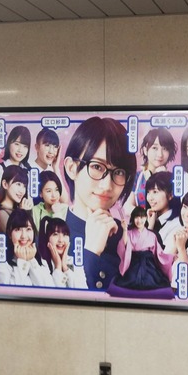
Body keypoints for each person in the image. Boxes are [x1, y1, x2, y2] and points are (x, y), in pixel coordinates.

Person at [63, 116, 137, 291]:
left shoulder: (127, 235)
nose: (107, 186)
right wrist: (91, 252)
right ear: (71, 168)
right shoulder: (48, 234)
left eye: (118, 172)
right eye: (97, 166)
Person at [112, 206, 174, 291]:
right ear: (133, 219)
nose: (139, 220)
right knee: (130, 281)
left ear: (145, 218)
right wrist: (125, 230)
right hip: (133, 263)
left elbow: (158, 253)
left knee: (152, 281)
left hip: (148, 264)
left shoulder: (152, 235)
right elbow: (124, 245)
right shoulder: (129, 233)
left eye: (142, 217)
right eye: (136, 217)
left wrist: (171, 257)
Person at [123, 127, 177, 216]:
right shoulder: (138, 177)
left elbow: (177, 209)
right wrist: (147, 215)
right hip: (142, 223)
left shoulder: (174, 179)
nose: (160, 154)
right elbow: (127, 207)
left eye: (165, 149)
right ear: (145, 150)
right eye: (155, 148)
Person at [0, 209, 54, 287]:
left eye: (28, 229)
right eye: (18, 229)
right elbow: (9, 290)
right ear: (9, 234)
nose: (24, 236)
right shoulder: (1, 260)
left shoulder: (41, 260)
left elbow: (48, 288)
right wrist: (22, 261)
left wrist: (31, 260)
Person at [38, 217, 87, 288]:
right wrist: (58, 267)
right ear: (47, 238)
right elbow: (52, 293)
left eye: (65, 234)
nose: (61, 240)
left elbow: (84, 291)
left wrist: (65, 268)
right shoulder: (42, 264)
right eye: (55, 234)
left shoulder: (75, 262)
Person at [144, 171, 181, 248]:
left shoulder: (176, 225)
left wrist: (150, 228)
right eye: (148, 192)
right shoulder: (151, 219)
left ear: (170, 195)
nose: (150, 198)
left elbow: (161, 254)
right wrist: (150, 225)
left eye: (155, 192)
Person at [0, 165, 33, 235]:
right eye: (18, 184)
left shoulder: (17, 209)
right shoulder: (1, 213)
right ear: (5, 184)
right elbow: (17, 236)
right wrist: (22, 213)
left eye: (24, 186)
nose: (22, 191)